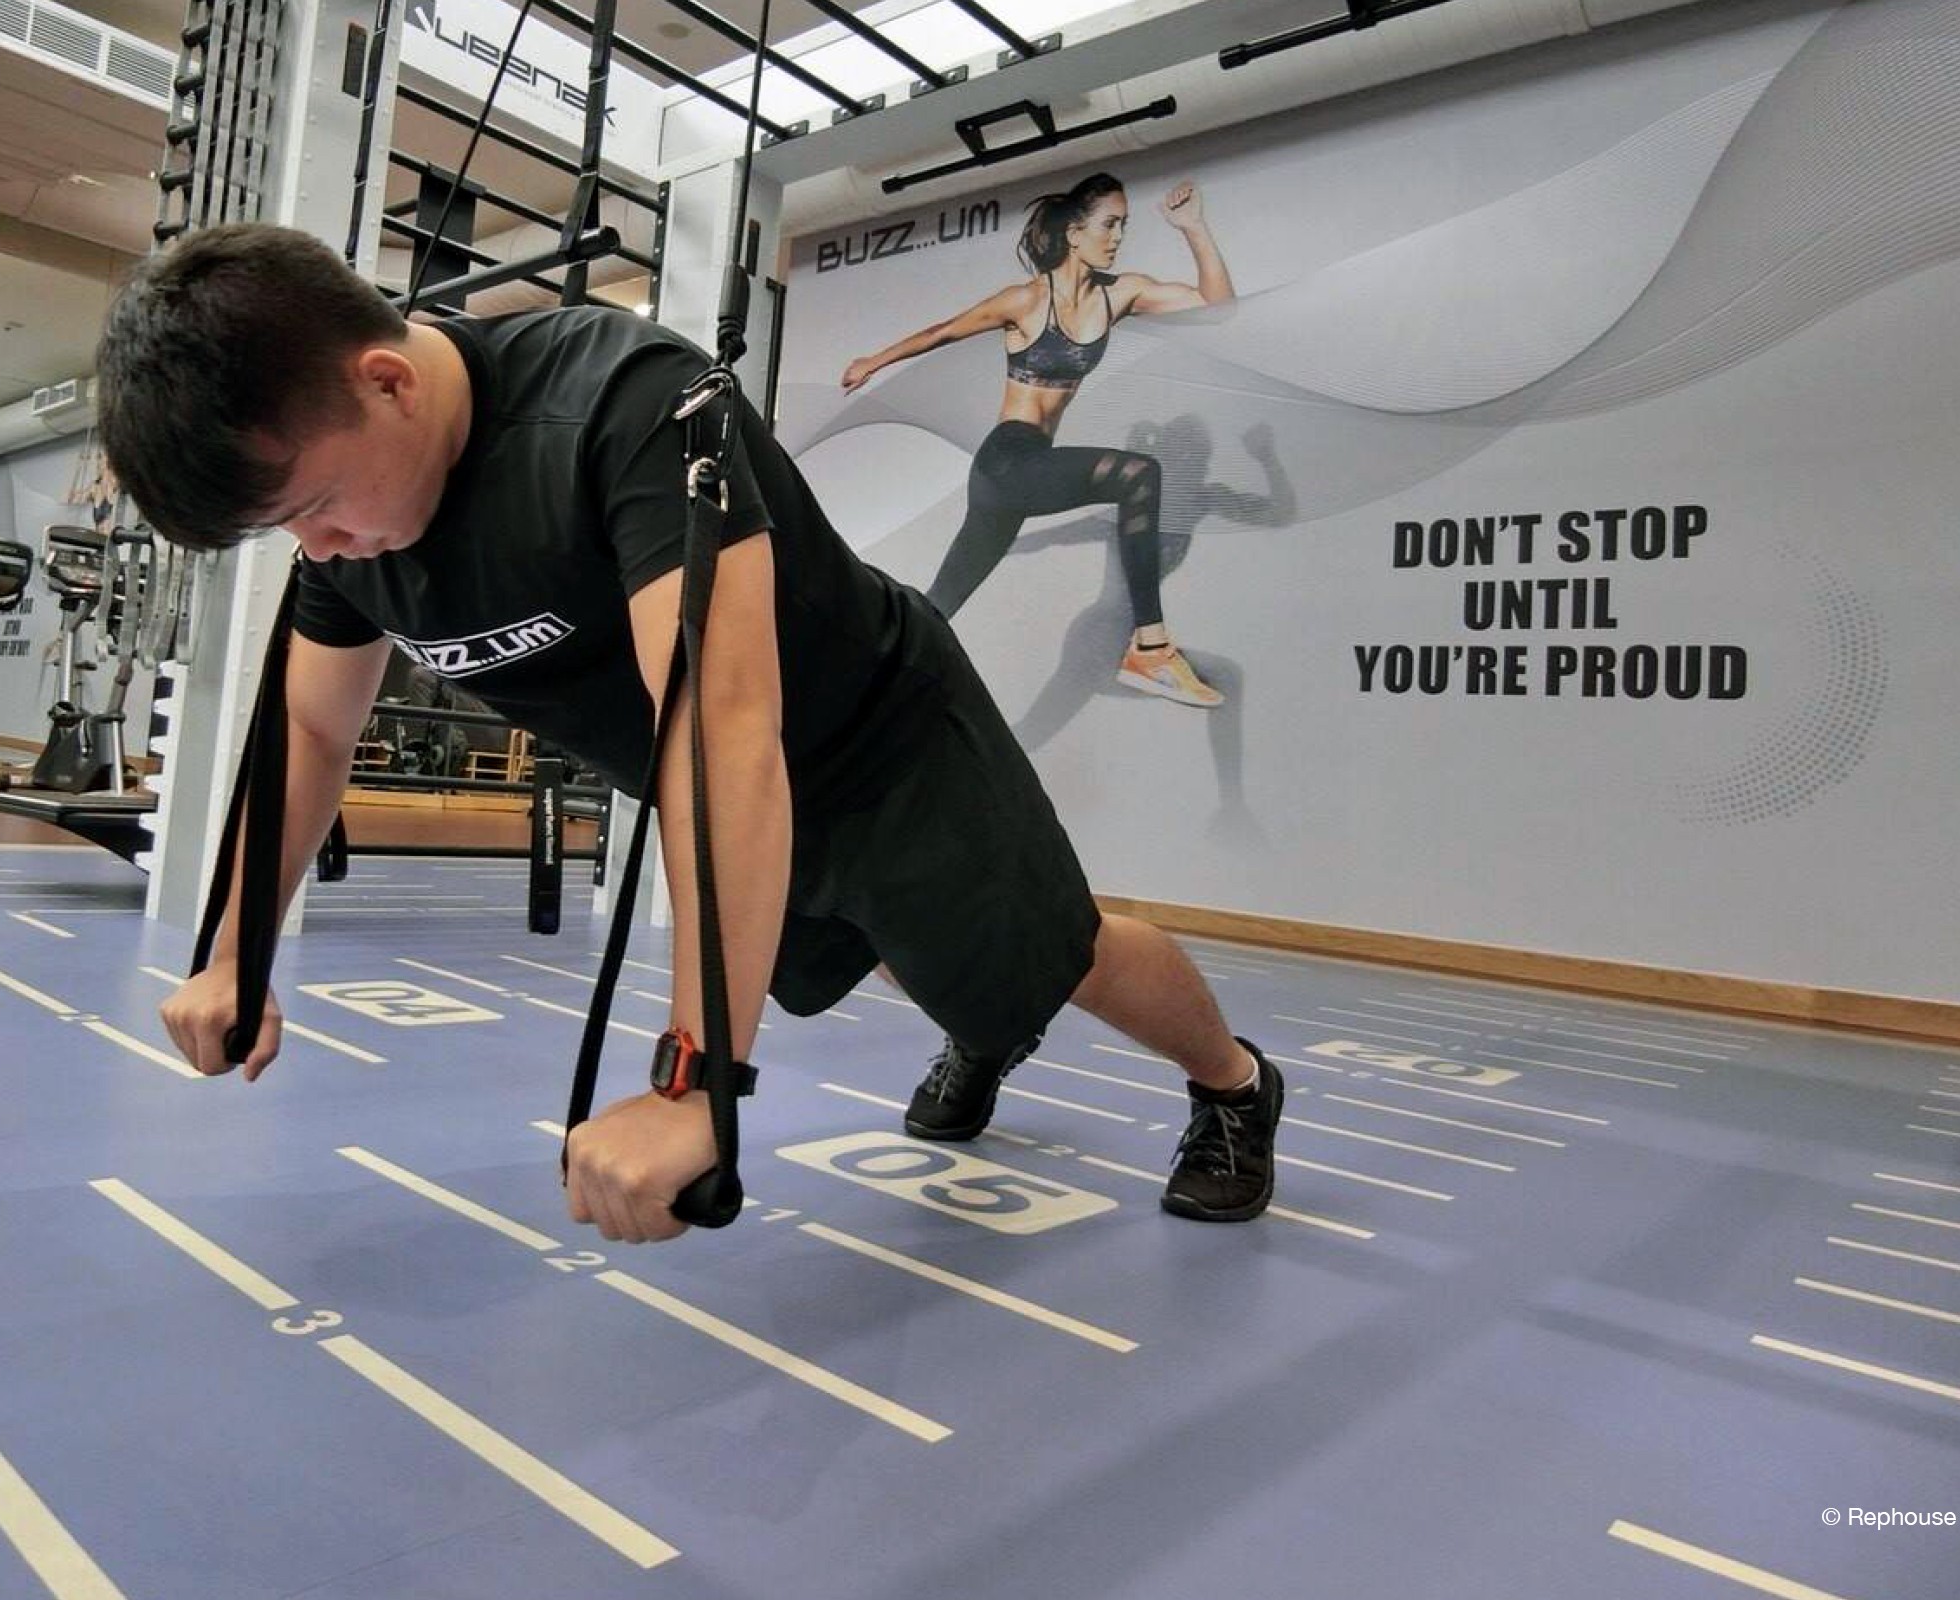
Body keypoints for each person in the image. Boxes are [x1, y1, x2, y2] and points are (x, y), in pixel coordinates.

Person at [98, 222, 1280, 1245]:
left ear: (387, 382)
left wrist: (693, 1085)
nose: (317, 550)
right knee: (906, 951)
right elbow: (310, 729)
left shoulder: (623, 406)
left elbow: (723, 728)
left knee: (1061, 954)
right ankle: (978, 1017)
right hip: (733, 791)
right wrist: (239, 950)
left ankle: (1232, 1084)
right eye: (287, 530)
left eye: (313, 508)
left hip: (882, 740)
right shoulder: (354, 531)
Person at [840, 174, 1235, 707]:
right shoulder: (1025, 301)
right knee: (1140, 475)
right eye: (1109, 224)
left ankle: (859, 686)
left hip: (1025, 476)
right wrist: (873, 361)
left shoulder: (1121, 293)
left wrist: (1194, 228)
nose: (1118, 237)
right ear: (1075, 233)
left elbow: (1217, 307)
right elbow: (942, 331)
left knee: (938, 608)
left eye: (1124, 225)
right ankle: (1150, 648)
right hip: (1006, 462)